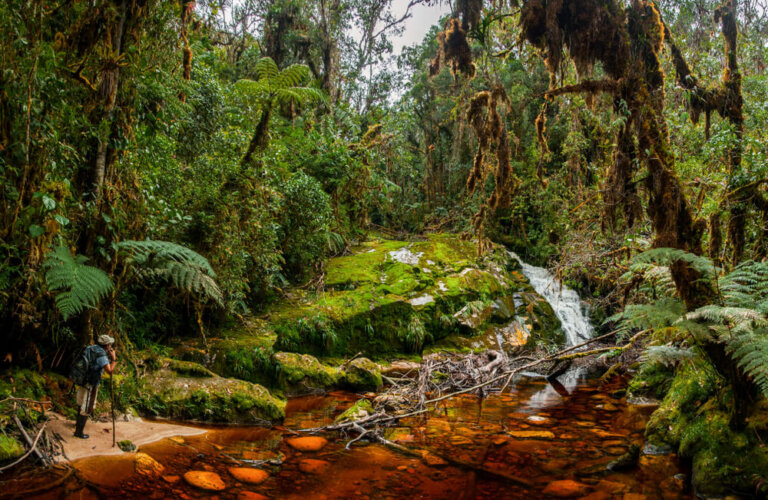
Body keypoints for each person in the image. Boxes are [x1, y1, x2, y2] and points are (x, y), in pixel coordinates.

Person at [73, 334, 117, 439]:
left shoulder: (90, 348)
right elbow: (110, 371)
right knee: (87, 406)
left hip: (83, 379)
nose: (110, 345)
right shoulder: (101, 355)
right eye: (109, 344)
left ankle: (77, 425)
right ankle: (78, 432)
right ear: (106, 345)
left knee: (80, 402)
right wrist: (114, 359)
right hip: (92, 383)